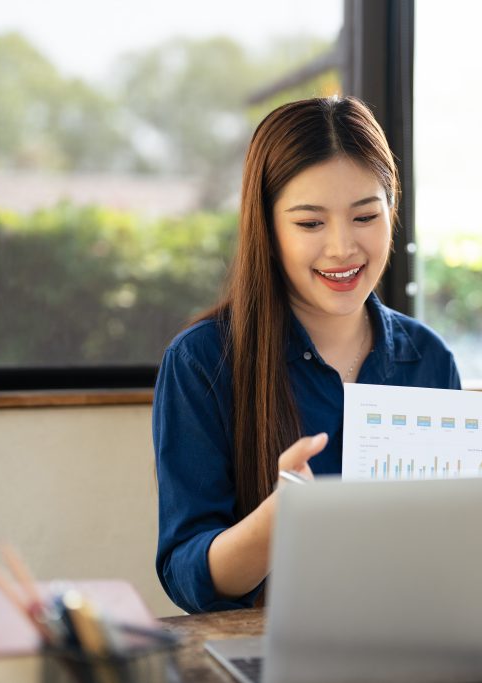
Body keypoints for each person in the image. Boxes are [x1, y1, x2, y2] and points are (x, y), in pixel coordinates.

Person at [152, 96, 461, 613]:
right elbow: (188, 576)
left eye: (365, 216)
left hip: (413, 643)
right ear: (268, 230)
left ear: (392, 212)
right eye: (310, 224)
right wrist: (282, 516)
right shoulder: (203, 361)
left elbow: (453, 554)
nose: (342, 247)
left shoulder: (428, 358)